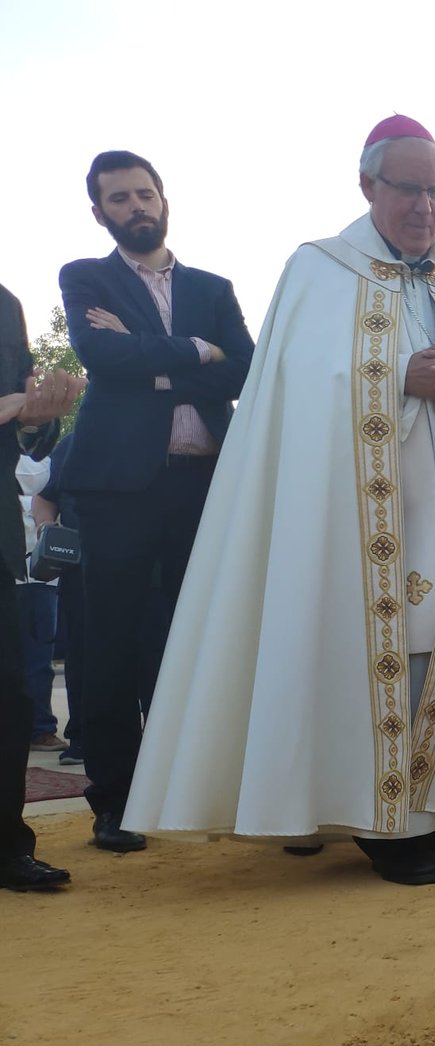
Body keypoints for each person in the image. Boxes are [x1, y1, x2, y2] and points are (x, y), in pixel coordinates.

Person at [121, 115, 435, 885]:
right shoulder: (319, 272)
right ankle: (382, 817)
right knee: (383, 647)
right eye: (409, 189)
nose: (425, 206)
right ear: (368, 187)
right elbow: (290, 391)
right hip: (360, 514)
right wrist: (401, 377)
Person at [58, 150, 256, 854]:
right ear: (100, 212)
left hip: (206, 484)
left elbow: (248, 367)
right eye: (120, 199)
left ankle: (202, 788)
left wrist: (165, 356)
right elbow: (101, 358)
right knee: (109, 643)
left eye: (145, 193)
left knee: (204, 637)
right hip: (117, 489)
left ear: (165, 199)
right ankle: (115, 800)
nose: (136, 206)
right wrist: (198, 356)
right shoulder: (86, 277)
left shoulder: (213, 286)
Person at [0, 281, 78, 892]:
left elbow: (23, 435)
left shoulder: (4, 305)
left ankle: (6, 847)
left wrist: (34, 420)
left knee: (10, 697)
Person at [33, 434, 83, 765]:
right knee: (84, 657)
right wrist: (46, 529)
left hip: (154, 572)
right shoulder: (73, 444)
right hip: (81, 571)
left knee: (152, 656)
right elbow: (44, 498)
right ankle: (84, 737)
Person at [14, 455, 61, 749]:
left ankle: (40, 727)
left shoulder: (49, 459)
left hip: (41, 574)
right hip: (18, 573)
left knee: (39, 659)